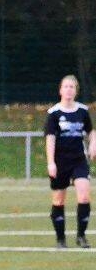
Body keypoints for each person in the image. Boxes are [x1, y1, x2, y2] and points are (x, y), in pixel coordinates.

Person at [44, 74, 96, 249]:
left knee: (84, 195)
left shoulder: (82, 111)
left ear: (76, 91)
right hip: (60, 161)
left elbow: (91, 131)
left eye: (72, 87)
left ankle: (81, 236)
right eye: (65, 86)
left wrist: (93, 144)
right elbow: (50, 138)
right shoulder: (54, 113)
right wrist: (51, 162)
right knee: (58, 200)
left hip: (78, 160)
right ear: (60, 90)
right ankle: (61, 239)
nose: (68, 90)